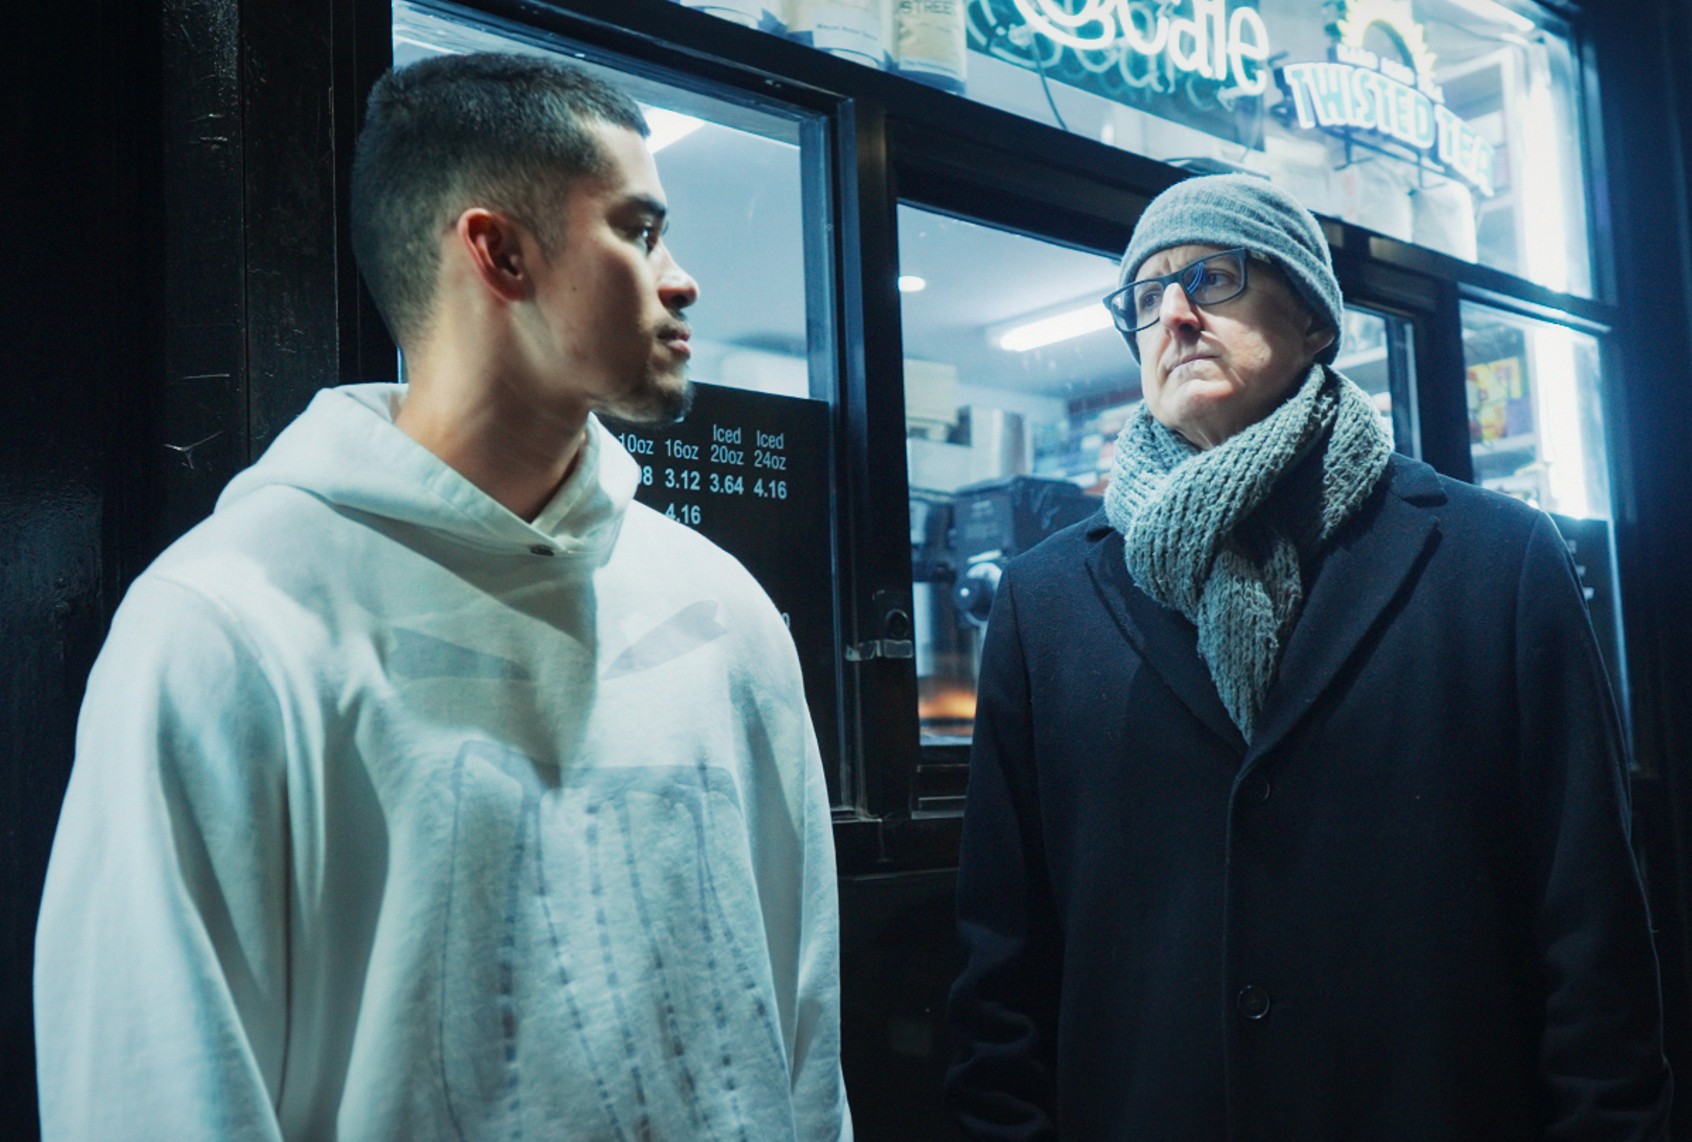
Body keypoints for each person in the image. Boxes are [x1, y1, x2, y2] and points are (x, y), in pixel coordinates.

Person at [35, 52, 852, 1140]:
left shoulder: (721, 612)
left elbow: (802, 1041)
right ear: (498, 251)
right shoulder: (226, 627)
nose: (682, 278)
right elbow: (155, 1087)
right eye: (640, 230)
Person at [946, 173, 1671, 1139]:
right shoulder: (1047, 602)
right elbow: (1002, 966)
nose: (1174, 316)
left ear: (1315, 320)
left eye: (1212, 277)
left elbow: (1590, 932)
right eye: (1145, 297)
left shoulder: (1495, 561)